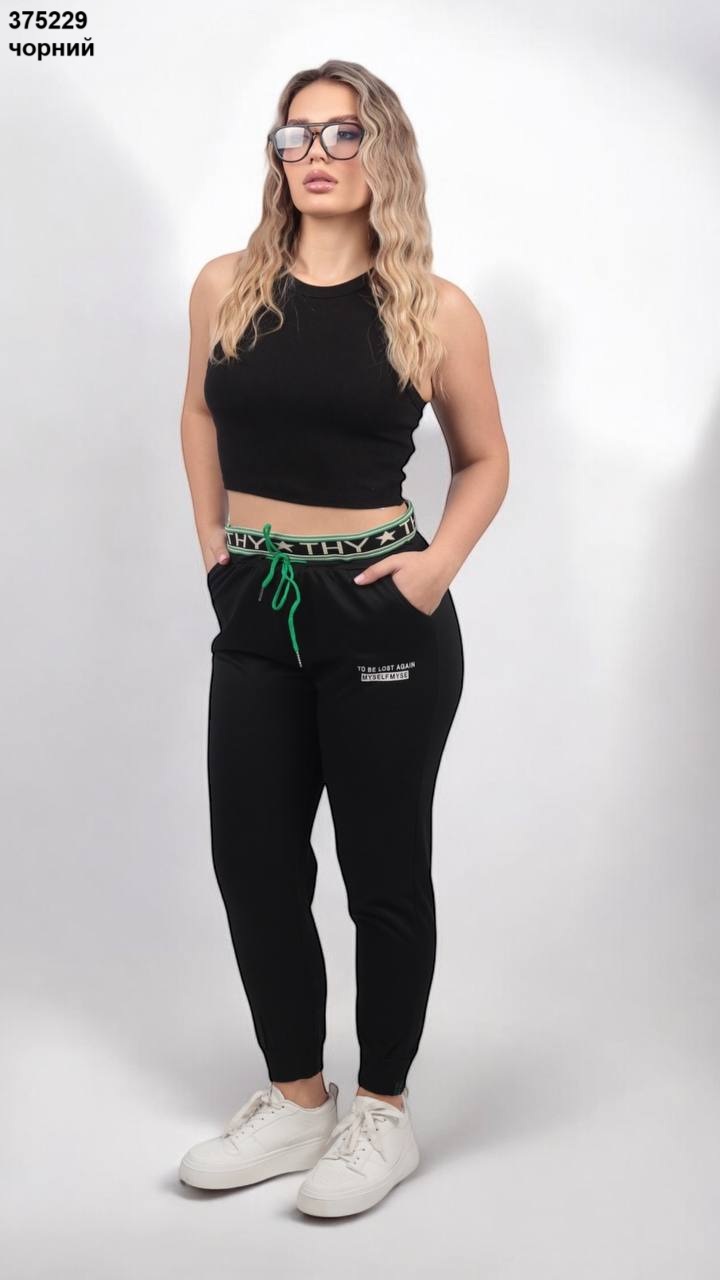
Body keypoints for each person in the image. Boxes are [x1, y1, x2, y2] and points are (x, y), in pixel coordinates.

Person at [177, 58, 508, 1218]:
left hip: (381, 611)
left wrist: (436, 566)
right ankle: (297, 1097)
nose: (314, 154)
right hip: (256, 604)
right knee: (253, 860)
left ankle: (383, 1110)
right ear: (276, 156)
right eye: (295, 134)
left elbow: (485, 459)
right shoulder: (226, 286)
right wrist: (215, 548)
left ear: (384, 151)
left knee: (382, 872)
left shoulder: (434, 307)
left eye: (341, 132)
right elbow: (199, 412)